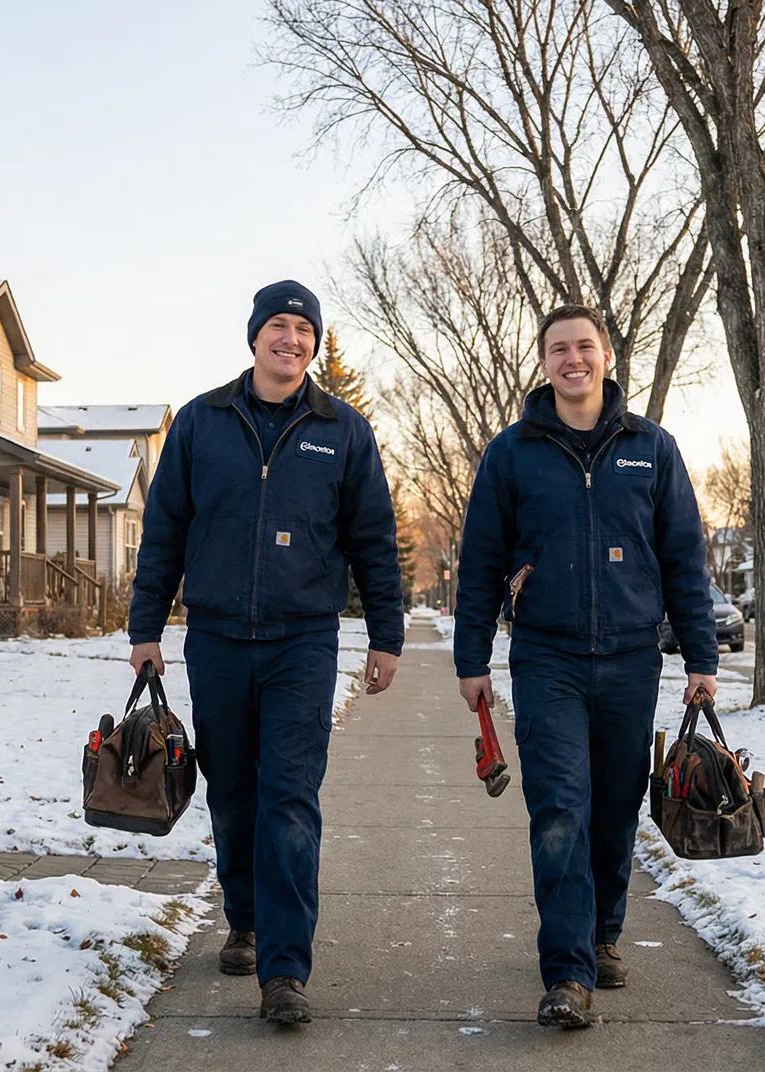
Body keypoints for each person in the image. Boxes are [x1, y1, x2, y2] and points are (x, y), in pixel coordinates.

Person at [127, 280, 405, 1025]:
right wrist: (145, 630)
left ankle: (285, 970)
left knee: (289, 798)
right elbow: (164, 535)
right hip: (216, 638)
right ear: (254, 337)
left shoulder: (341, 430)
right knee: (234, 793)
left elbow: (373, 539)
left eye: (303, 329)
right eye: (277, 326)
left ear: (315, 343)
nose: (291, 339)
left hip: (303, 642)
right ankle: (244, 915)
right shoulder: (200, 423)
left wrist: (387, 634)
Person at [452, 303, 719, 1028]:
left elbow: (683, 560)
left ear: (607, 357)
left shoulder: (651, 448)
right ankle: (567, 973)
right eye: (559, 349)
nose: (573, 359)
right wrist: (470, 656)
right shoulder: (513, 453)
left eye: (585, 346)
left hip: (632, 658)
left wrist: (701, 654)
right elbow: (479, 563)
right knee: (560, 811)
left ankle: (602, 934)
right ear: (544, 364)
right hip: (547, 657)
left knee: (612, 811)